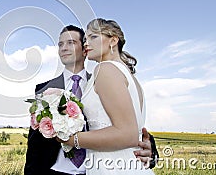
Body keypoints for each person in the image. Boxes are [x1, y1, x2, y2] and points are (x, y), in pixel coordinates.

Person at [24, 24, 157, 175]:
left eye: (71, 43)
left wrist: (151, 151)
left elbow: (128, 125)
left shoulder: (105, 77)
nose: (64, 48)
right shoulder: (44, 89)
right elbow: (35, 143)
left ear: (84, 49)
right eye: (60, 44)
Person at [61, 18, 155, 174]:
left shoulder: (105, 69)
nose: (86, 43)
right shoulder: (130, 76)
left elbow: (127, 134)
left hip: (111, 166)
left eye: (93, 37)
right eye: (85, 39)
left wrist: (70, 139)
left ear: (113, 40)